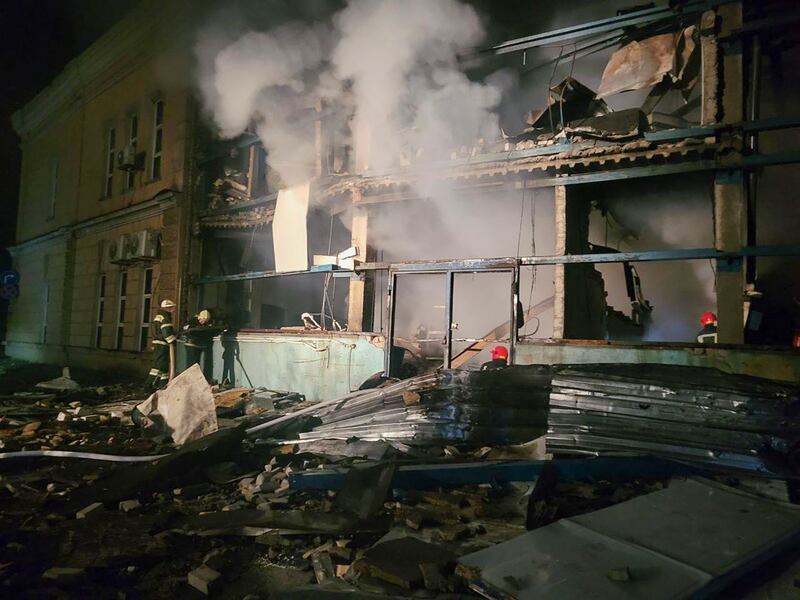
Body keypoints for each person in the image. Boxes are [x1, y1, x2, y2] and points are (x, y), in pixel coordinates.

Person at [147, 299, 178, 391]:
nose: (174, 309)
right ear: (167, 308)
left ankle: (162, 385)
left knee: (164, 366)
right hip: (162, 344)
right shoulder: (165, 316)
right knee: (159, 365)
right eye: (172, 307)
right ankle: (148, 385)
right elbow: (166, 331)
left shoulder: (160, 315)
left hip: (160, 343)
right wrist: (173, 341)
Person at [183, 309, 222, 374]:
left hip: (200, 345)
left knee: (198, 364)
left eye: (206, 321)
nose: (203, 323)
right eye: (203, 320)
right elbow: (187, 331)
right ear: (199, 318)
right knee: (192, 365)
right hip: (192, 345)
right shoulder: (192, 322)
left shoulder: (208, 324)